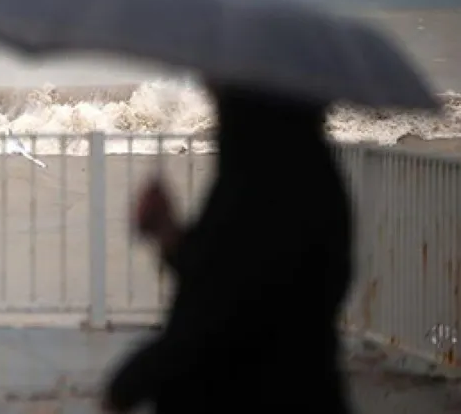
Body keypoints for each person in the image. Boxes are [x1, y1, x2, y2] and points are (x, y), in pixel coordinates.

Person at [100, 84, 354, 413]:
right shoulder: (310, 175)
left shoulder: (262, 185)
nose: (213, 96)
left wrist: (131, 382)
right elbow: (223, 268)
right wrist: (168, 233)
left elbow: (223, 314)